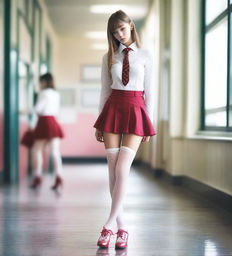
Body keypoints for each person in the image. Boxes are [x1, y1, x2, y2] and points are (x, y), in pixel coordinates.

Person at [93, 10, 156, 250]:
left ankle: (108, 225)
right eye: (114, 32)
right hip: (113, 108)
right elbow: (104, 91)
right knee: (112, 168)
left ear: (130, 25)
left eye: (121, 28)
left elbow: (150, 91)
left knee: (122, 167)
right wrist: (100, 121)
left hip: (137, 109)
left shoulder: (147, 55)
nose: (119, 34)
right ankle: (122, 228)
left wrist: (149, 122)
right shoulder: (108, 57)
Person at [30, 73, 65, 190]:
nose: (40, 84)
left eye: (40, 82)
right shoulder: (56, 94)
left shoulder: (44, 93)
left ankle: (37, 176)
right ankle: (59, 176)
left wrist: (24, 111)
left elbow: (38, 109)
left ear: (44, 82)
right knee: (55, 152)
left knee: (37, 150)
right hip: (54, 121)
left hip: (44, 121)